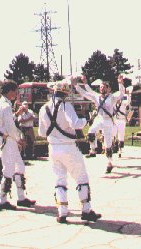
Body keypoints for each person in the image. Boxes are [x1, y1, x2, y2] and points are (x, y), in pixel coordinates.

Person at [38, 79, 101, 224]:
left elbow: (42, 132)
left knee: (59, 179)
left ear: (54, 91)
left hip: (53, 148)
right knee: (81, 177)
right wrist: (87, 120)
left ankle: (62, 213)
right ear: (66, 93)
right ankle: (86, 210)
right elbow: (76, 124)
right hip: (68, 147)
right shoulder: (66, 106)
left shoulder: (43, 109)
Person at [0, 80, 36, 211]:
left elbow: (7, 120)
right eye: (15, 91)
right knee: (8, 170)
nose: (16, 94)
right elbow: (10, 127)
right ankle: (2, 200)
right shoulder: (5, 106)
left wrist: (17, 114)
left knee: (19, 167)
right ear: (10, 91)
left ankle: (21, 198)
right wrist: (19, 139)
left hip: (8, 140)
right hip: (9, 141)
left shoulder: (1, 104)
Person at [73, 75, 125, 174]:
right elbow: (85, 93)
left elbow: (121, 94)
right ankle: (93, 149)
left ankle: (109, 163)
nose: (101, 89)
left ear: (108, 88)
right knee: (91, 132)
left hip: (108, 121)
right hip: (99, 119)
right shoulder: (96, 97)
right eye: (100, 87)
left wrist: (120, 83)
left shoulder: (112, 97)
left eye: (103, 87)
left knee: (108, 145)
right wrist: (76, 85)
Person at [113, 85, 133, 158]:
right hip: (115, 120)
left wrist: (128, 94)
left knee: (121, 135)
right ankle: (113, 146)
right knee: (113, 134)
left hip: (122, 120)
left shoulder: (124, 103)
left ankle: (120, 149)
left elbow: (128, 101)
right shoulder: (113, 104)